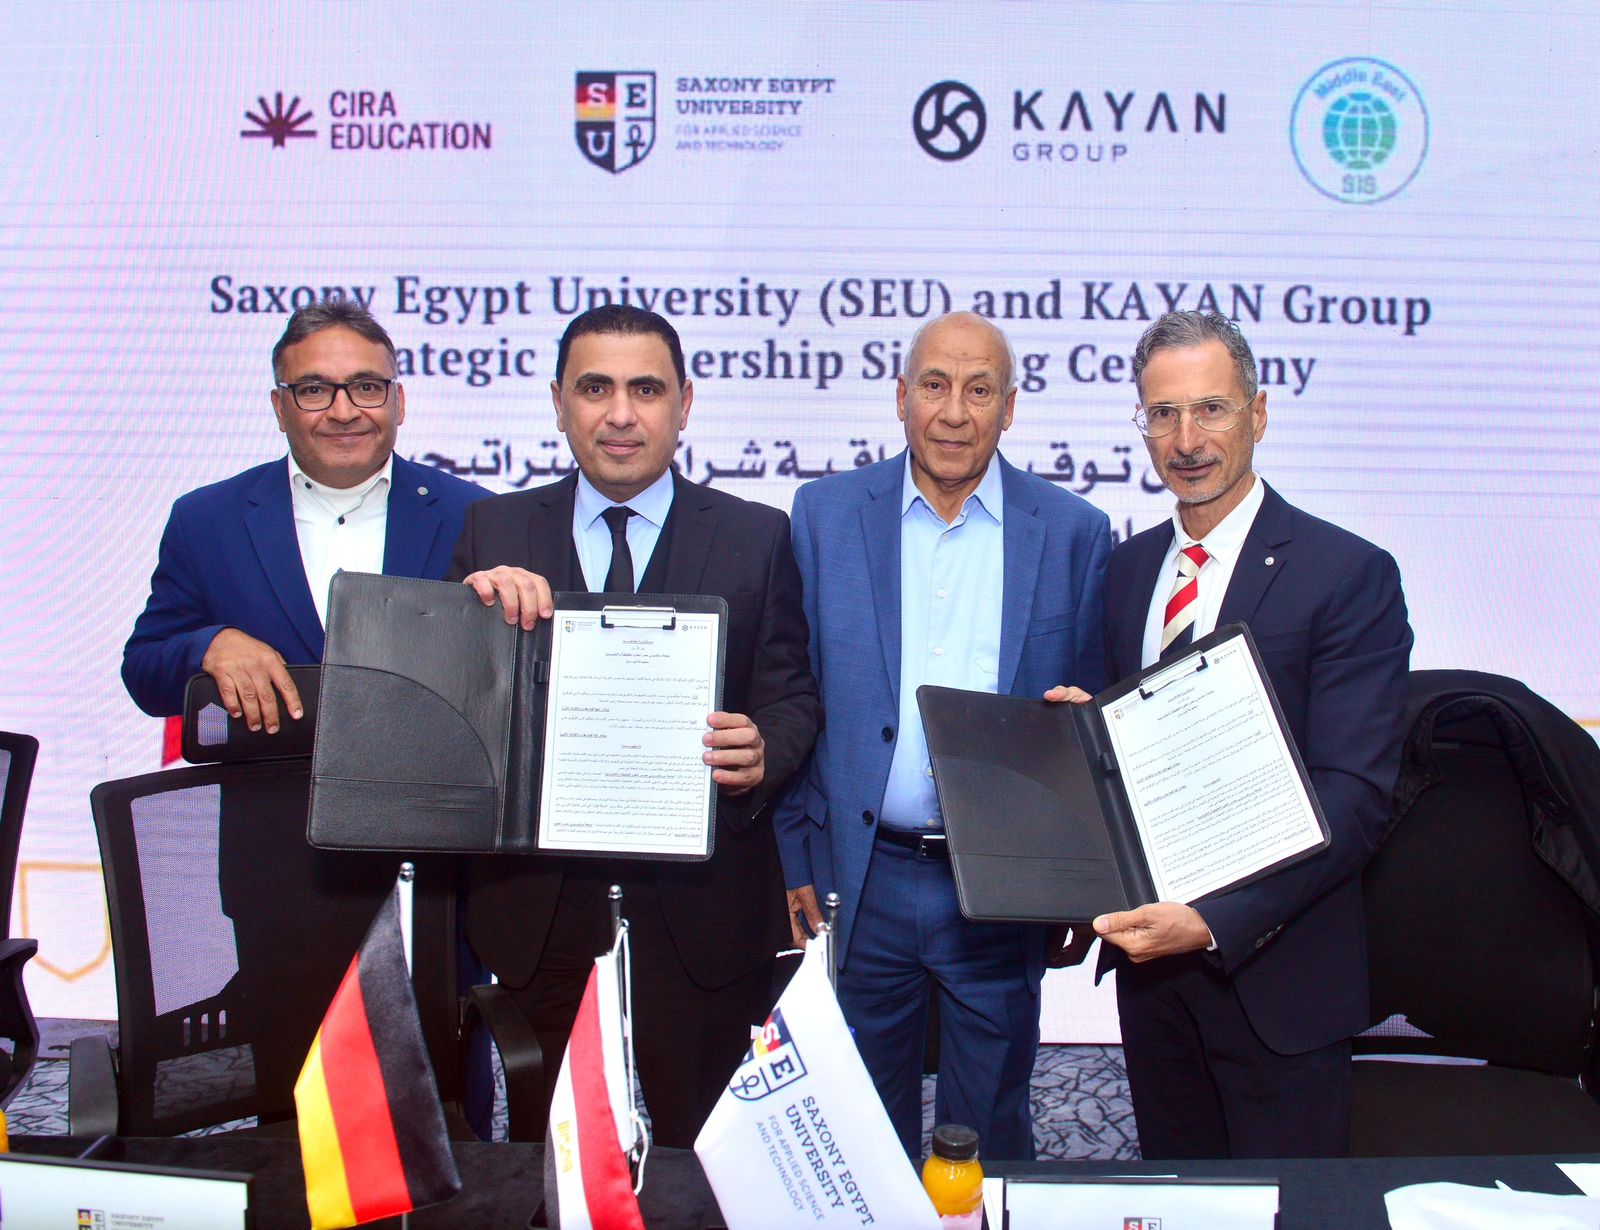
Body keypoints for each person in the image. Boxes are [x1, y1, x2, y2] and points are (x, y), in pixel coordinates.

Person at [450, 304, 819, 1147]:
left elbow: (794, 695)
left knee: (707, 1159)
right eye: (595, 389)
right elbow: (455, 715)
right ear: (558, 403)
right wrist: (469, 620)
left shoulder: (757, 535)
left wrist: (765, 748)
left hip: (703, 917)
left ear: (684, 404)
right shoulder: (495, 532)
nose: (621, 414)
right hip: (540, 912)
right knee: (551, 1158)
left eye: (646, 390)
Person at [1053, 310, 1412, 1159]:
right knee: (1179, 1205)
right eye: (1163, 414)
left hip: (1281, 983)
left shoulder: (1347, 573)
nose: (1187, 440)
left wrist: (1211, 920)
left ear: (1258, 412)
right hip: (1153, 982)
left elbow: (1356, 798)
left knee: (1288, 1212)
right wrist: (1082, 742)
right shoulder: (1126, 570)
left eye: (1210, 409)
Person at [773, 311, 1112, 1160]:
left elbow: (1087, 723)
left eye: (979, 389)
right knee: (861, 1140)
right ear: (900, 398)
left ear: (1010, 408)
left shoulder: (1073, 532)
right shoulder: (822, 516)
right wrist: (794, 855)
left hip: (998, 886)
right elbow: (791, 695)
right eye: (934, 385)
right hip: (861, 877)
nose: (954, 412)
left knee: (989, 1135)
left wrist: (1075, 883)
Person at [123, 298, 487, 726]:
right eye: (314, 391)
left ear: (399, 402)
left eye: (367, 388)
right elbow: (143, 671)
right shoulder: (206, 520)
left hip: (423, 770)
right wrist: (209, 646)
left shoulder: (473, 514)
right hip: (270, 771)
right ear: (280, 408)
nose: (344, 412)